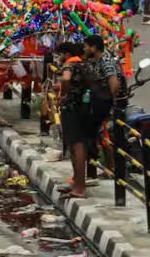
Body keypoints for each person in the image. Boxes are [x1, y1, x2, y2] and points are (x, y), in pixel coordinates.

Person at [57, 41, 92, 198]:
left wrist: (63, 93)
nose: (58, 58)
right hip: (83, 109)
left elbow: (65, 79)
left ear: (67, 54)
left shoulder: (69, 65)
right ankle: (77, 183)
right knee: (78, 145)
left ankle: (79, 188)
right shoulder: (84, 65)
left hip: (71, 110)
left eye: (60, 54)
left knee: (76, 146)